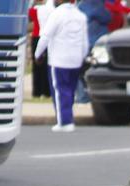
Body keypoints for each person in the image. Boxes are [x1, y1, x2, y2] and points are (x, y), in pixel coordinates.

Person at [34, 0, 88, 132]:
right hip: (75, 60)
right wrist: (82, 57)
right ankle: (67, 117)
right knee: (69, 90)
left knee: (59, 90)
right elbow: (84, 41)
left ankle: (65, 121)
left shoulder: (56, 14)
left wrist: (37, 54)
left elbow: (45, 36)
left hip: (59, 59)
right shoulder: (80, 16)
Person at [28, 0, 55, 98]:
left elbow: (30, 17)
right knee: (46, 65)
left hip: (36, 36)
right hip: (47, 37)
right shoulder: (52, 9)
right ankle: (46, 91)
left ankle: (37, 91)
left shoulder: (34, 10)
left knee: (37, 66)